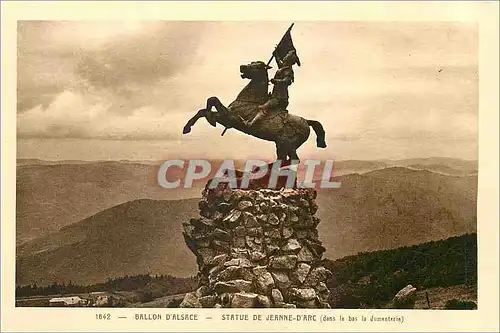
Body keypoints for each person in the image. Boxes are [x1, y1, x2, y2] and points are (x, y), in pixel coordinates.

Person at [244, 50, 301, 128]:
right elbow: (279, 62)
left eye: (287, 54)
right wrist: (276, 54)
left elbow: (287, 81)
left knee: (264, 107)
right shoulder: (283, 67)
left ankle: (251, 124)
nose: (285, 55)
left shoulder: (288, 70)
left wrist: (276, 81)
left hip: (280, 97)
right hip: (275, 95)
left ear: (289, 59)